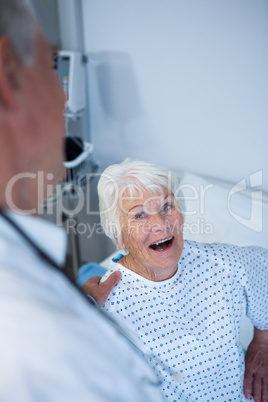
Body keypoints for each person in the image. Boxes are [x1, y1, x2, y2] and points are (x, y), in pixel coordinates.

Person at [0, 1, 166, 401]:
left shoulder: (227, 265)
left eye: (167, 206)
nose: (63, 97)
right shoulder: (36, 338)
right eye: (52, 68)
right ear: (8, 78)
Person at [92, 158, 268, 402]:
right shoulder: (105, 307)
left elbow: (263, 270)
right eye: (140, 215)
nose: (160, 224)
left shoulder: (221, 263)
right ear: (118, 237)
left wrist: (263, 342)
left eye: (167, 207)